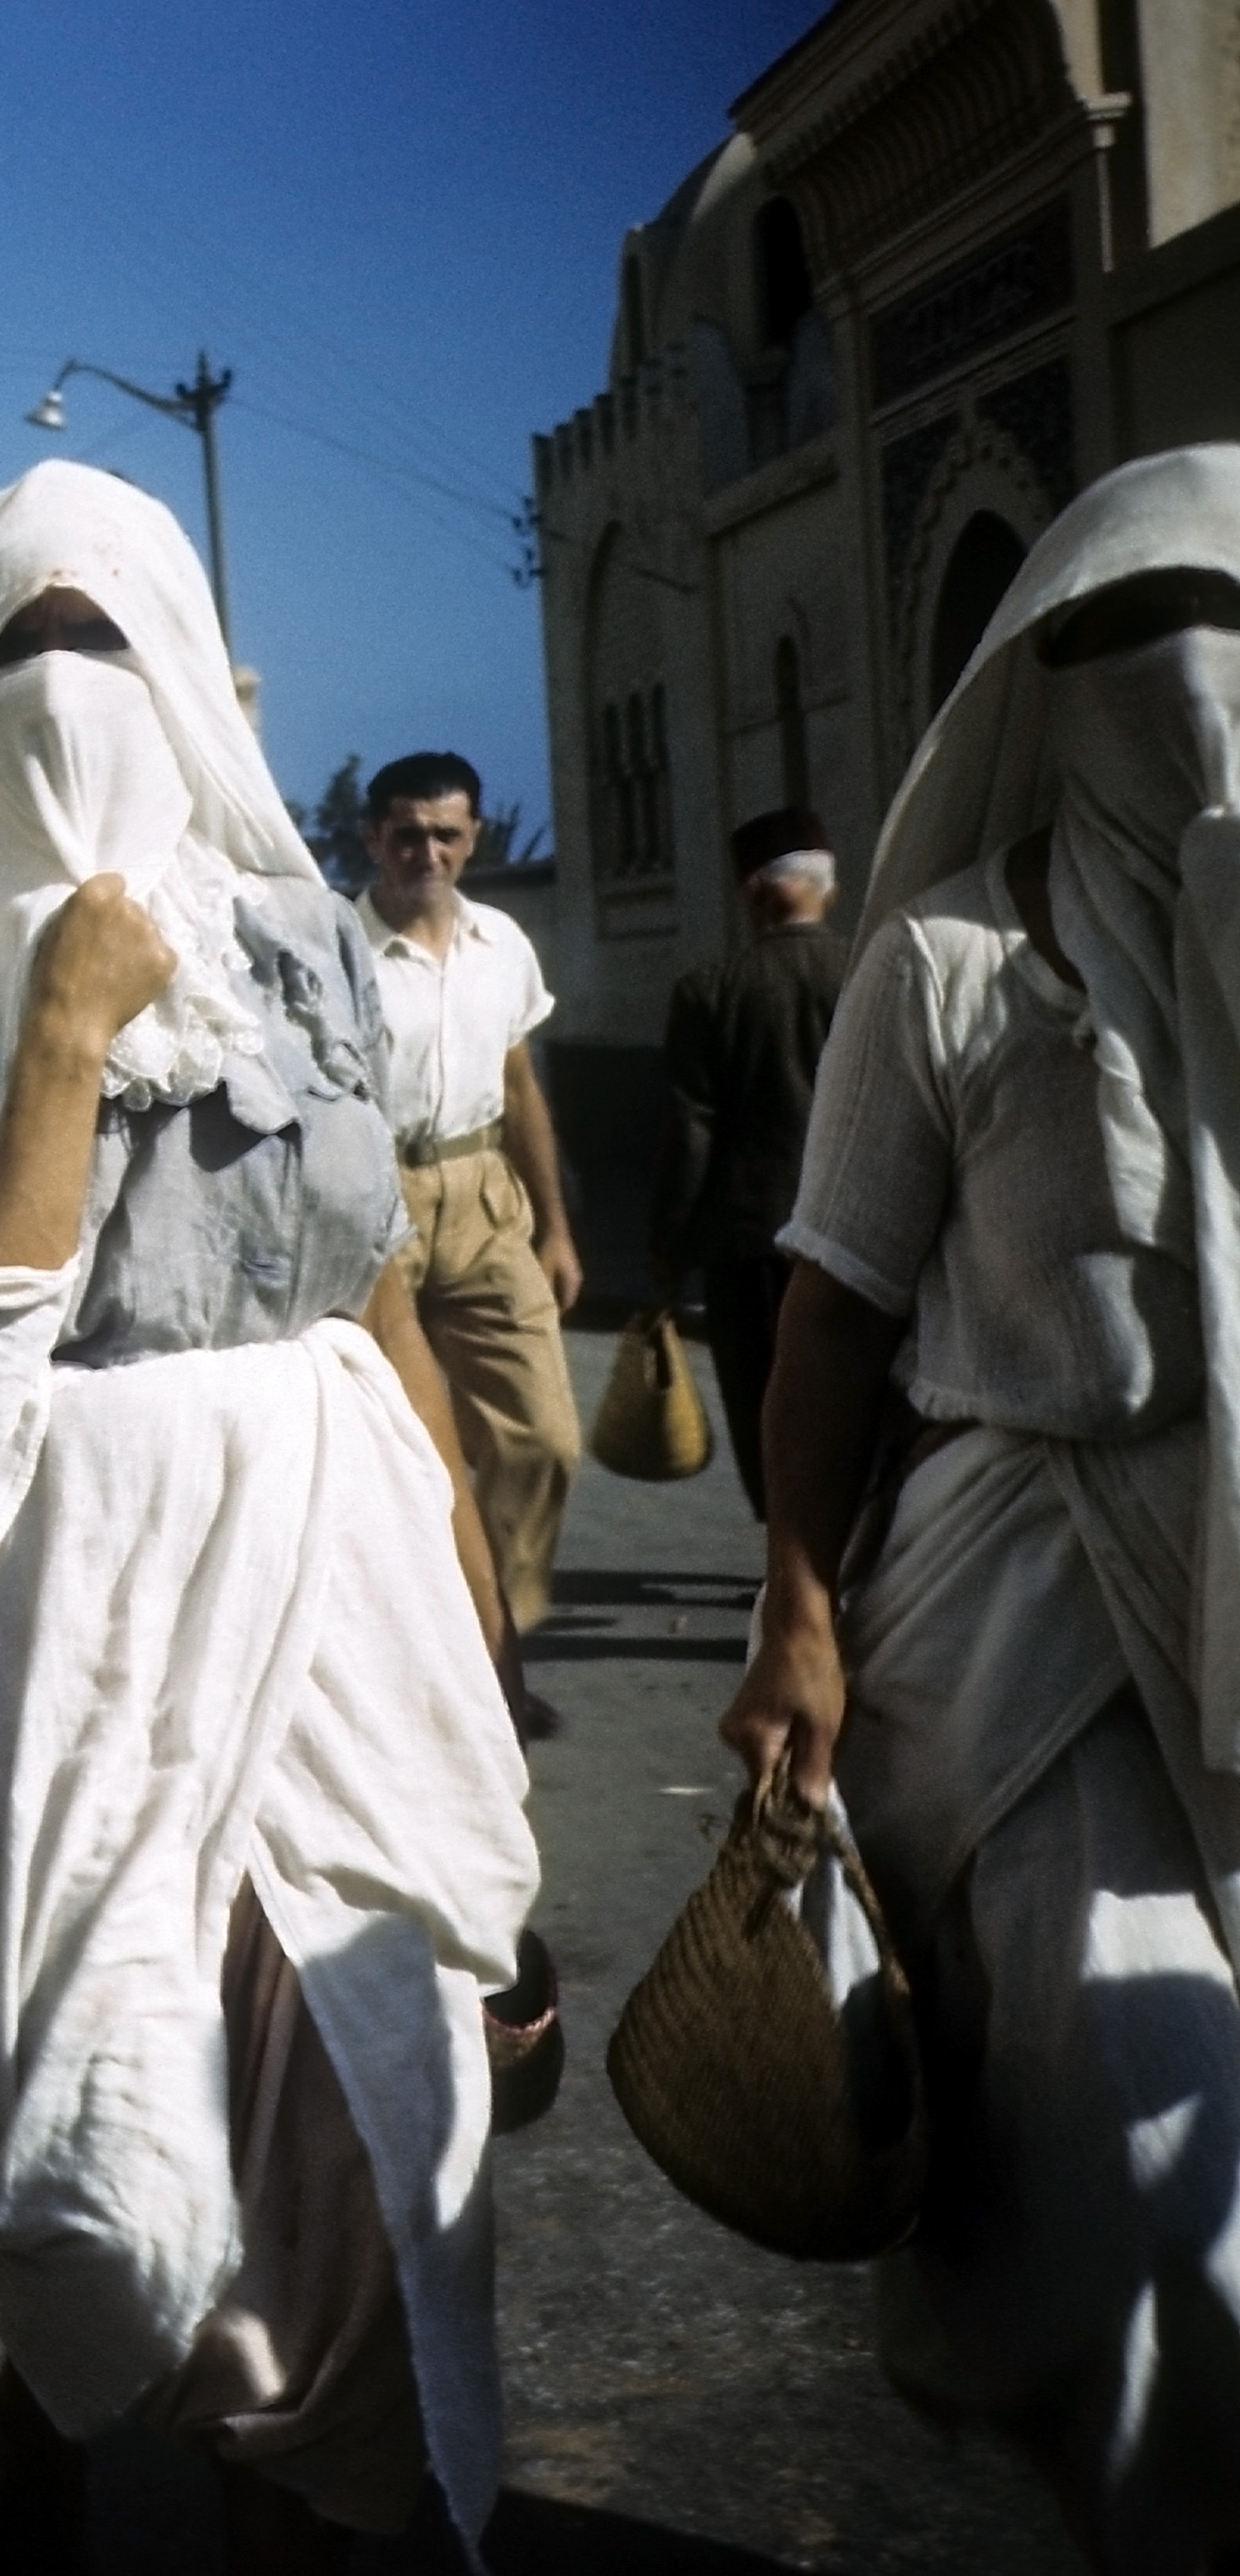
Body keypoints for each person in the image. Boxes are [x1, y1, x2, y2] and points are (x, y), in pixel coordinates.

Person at [0, 462, 538, 2570]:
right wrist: (60, 1033)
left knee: (370, 2167)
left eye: (102, 641)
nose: (65, 689)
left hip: (343, 1605)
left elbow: (383, 1311)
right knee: (102, 2197)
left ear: (190, 668)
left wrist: (477, 1666)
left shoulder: (305, 948)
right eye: (17, 649)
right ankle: (54, 2447)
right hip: (74, 1641)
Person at [723, 445, 1240, 2570]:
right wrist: (793, 1606)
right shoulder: (937, 964)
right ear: (1044, 675)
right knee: (1119, 2170)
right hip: (1021, 1621)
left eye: (1220, 633)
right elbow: (831, 1322)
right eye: (1123, 639)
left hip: (1230, 1581)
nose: (1179, 682)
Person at [355, 748, 581, 1654]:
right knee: (395, 1451)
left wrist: (555, 1229)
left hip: (484, 1193)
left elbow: (520, 1088)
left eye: (445, 834)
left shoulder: (502, 946)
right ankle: (412, 1654)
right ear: (372, 838)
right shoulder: (339, 946)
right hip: (379, 1197)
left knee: (540, 1438)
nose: (426, 853)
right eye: (405, 835)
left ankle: (501, 1639)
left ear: (472, 837)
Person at [651, 807, 851, 1513]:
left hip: (752, 1240)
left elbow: (690, 1131)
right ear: (825, 888)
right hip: (863, 1228)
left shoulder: (710, 992)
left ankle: (785, 1557)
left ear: (754, 891)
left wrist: (668, 1251)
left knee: (767, 1398)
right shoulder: (869, 972)